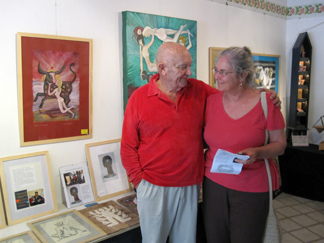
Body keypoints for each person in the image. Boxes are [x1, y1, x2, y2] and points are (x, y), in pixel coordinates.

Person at [120, 42, 281, 243]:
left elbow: (234, 96)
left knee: (186, 240)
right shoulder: (139, 98)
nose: (190, 72)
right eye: (183, 67)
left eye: (190, 65)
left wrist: (263, 94)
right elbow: (127, 146)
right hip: (153, 186)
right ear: (162, 68)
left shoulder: (199, 90)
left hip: (190, 186)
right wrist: (140, 183)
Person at [203, 46, 286, 243]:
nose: (217, 76)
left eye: (223, 72)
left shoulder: (266, 102)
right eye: (216, 70)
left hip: (251, 189)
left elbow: (280, 145)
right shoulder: (210, 101)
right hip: (214, 185)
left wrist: (258, 152)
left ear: (243, 75)